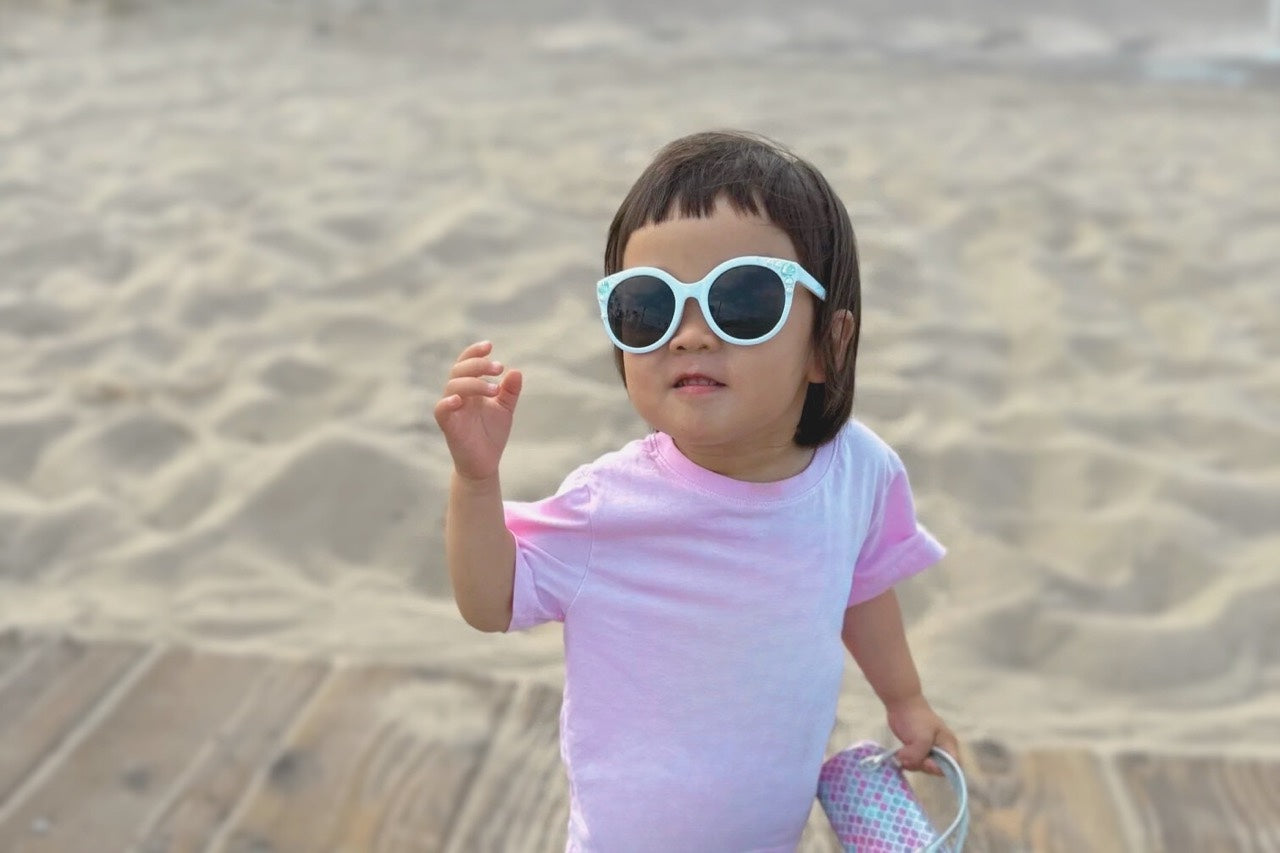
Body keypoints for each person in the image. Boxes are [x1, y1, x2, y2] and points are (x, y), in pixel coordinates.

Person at [435, 130, 958, 853]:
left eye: (742, 300)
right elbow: (489, 602)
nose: (687, 334)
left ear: (827, 346)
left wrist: (904, 699)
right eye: (646, 307)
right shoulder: (607, 504)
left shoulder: (856, 470)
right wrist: (476, 479)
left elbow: (862, 583)